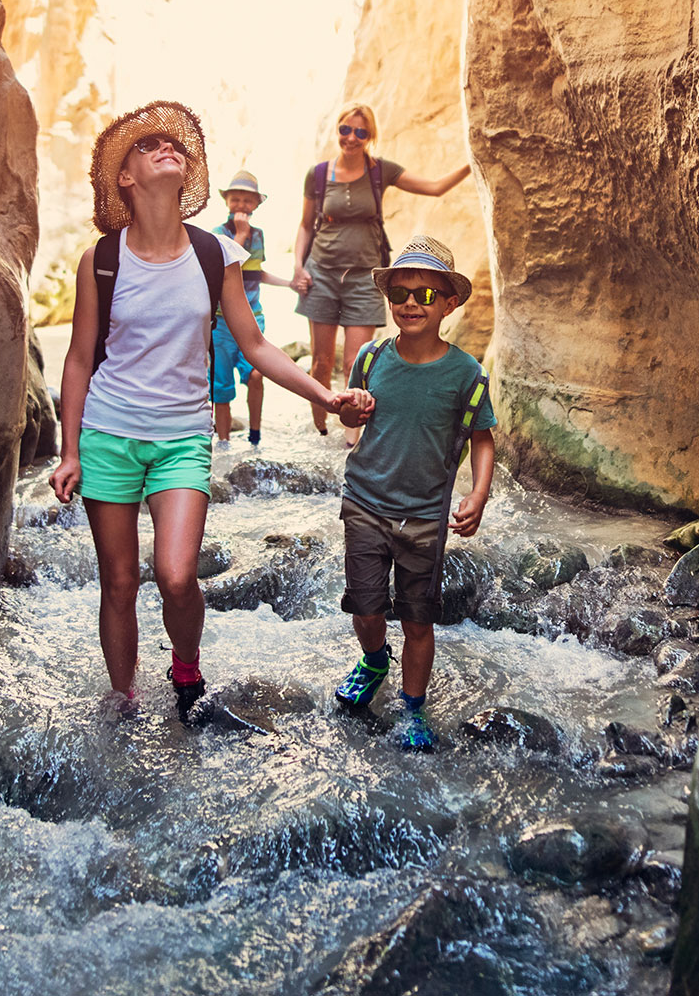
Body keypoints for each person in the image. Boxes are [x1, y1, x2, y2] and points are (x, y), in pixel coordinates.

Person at [50, 102, 359, 719]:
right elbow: (81, 359)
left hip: (181, 438)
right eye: (149, 146)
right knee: (117, 581)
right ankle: (124, 697)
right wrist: (70, 450)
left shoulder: (216, 254)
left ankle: (185, 669)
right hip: (109, 432)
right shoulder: (101, 259)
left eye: (175, 144)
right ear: (126, 178)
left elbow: (256, 345)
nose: (167, 147)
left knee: (174, 574)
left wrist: (325, 395)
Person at [331, 236, 496, 752]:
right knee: (365, 608)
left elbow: (482, 438)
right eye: (400, 292)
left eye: (425, 295)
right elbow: (351, 420)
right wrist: (349, 414)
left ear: (449, 304)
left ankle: (414, 708)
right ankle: (375, 659)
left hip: (424, 516)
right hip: (364, 502)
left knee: (418, 619)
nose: (410, 303)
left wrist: (479, 494)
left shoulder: (466, 373)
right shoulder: (372, 355)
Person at [291, 102, 472, 447]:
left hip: (363, 276)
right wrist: (298, 266)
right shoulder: (317, 175)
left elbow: (434, 187)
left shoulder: (380, 171)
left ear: (370, 136)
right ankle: (320, 434)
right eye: (346, 129)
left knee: (354, 362)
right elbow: (304, 226)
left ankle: (350, 443)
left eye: (361, 132)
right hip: (322, 274)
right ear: (338, 130)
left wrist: (474, 159)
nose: (352, 137)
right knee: (320, 362)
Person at [209, 169, 289, 449]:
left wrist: (289, 284)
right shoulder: (217, 235)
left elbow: (255, 273)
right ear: (227, 202)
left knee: (256, 374)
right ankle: (223, 443)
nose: (241, 205)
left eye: (247, 200)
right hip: (220, 325)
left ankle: (255, 437)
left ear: (255, 205)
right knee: (220, 387)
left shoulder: (259, 236)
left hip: (253, 319)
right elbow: (220, 269)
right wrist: (240, 234)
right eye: (235, 199)